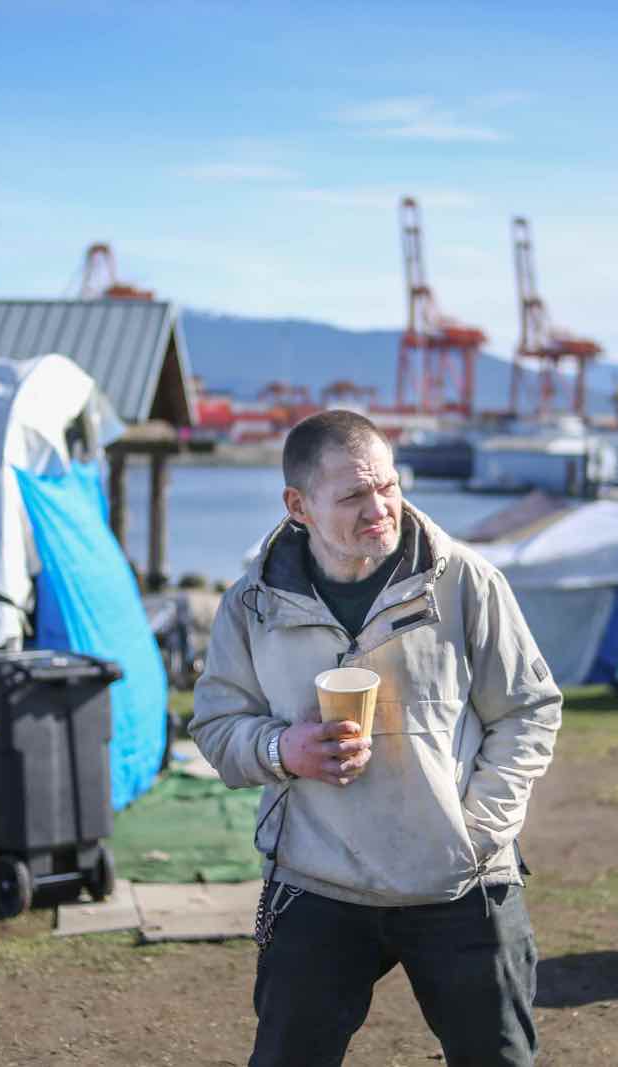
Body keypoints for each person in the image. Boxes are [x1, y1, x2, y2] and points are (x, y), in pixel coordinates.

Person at [190, 410, 562, 1067]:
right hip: (318, 877)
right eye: (354, 495)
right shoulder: (253, 604)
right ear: (297, 505)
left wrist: (477, 829)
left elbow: (528, 709)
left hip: (461, 880)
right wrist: (284, 750)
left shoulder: (465, 582)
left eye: (387, 485)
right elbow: (218, 725)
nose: (379, 507)